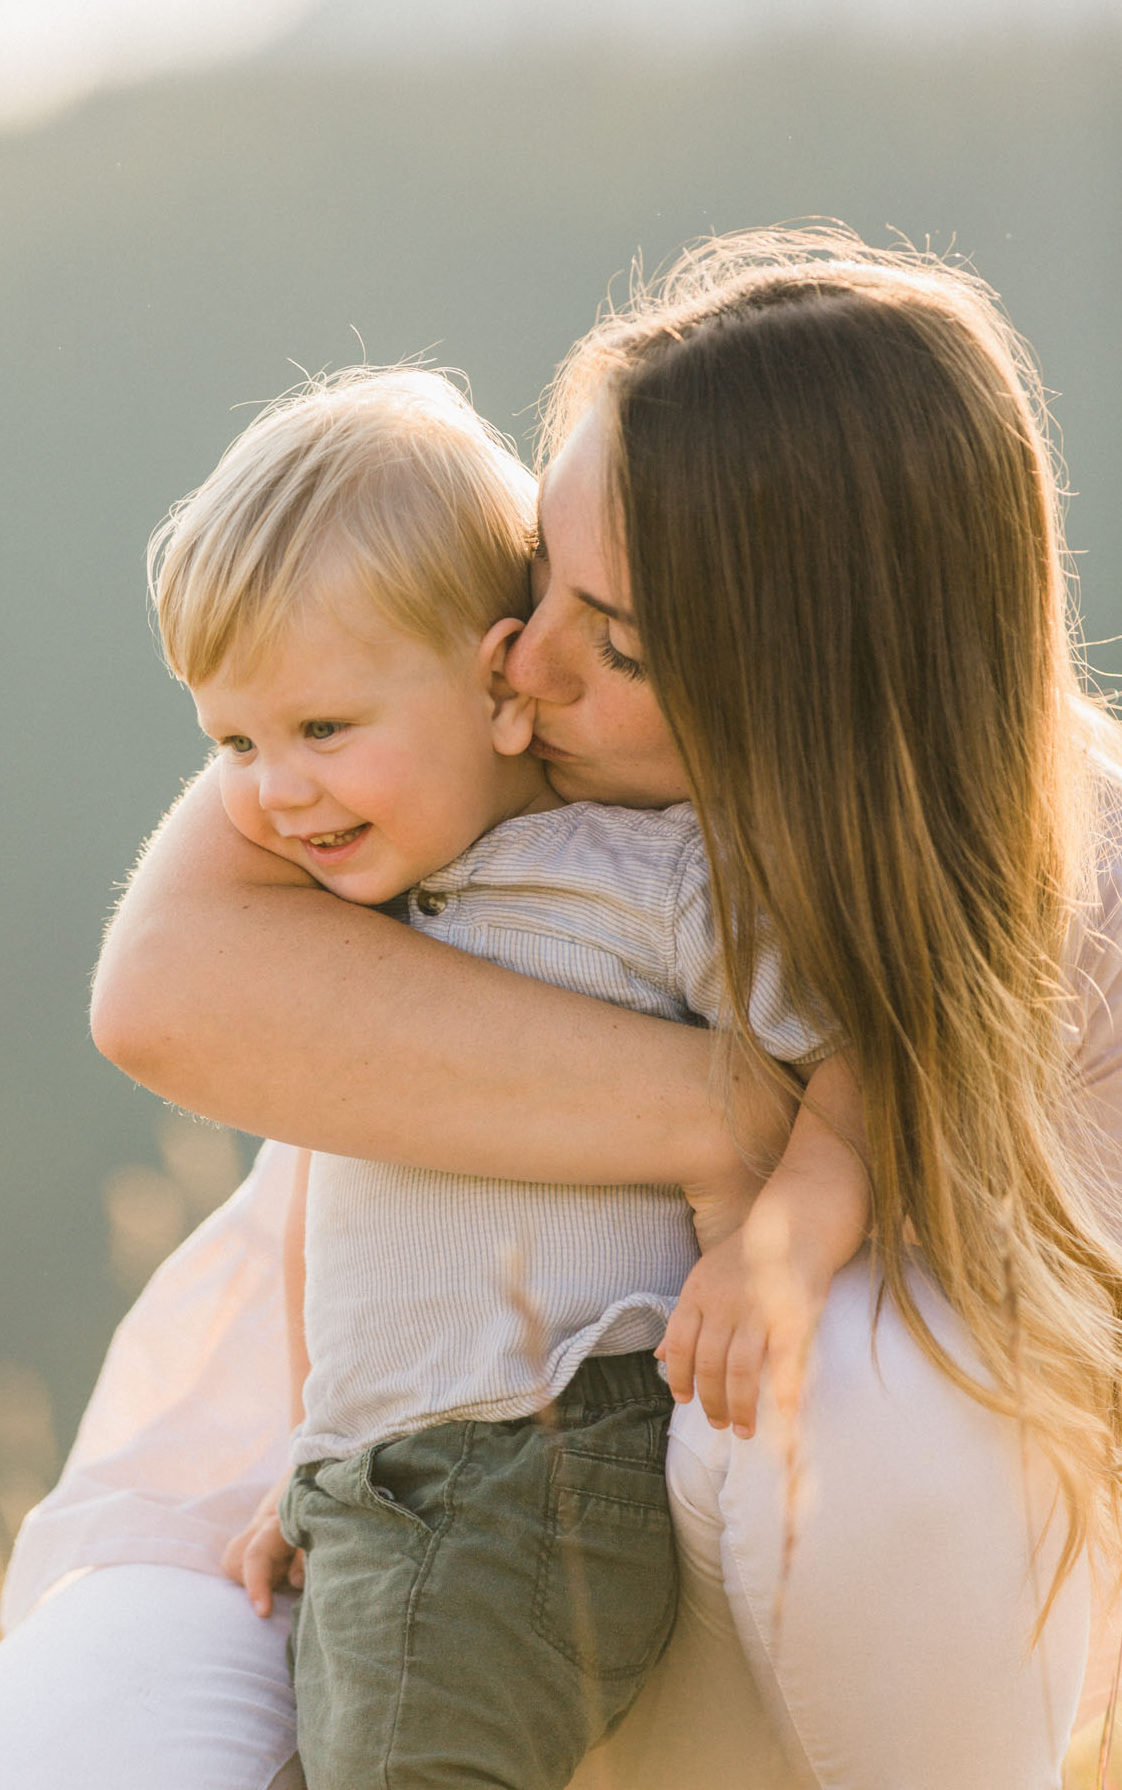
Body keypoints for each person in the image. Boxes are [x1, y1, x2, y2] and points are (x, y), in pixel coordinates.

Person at [0, 227, 1122, 1790]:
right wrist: (726, 1111)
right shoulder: (497, 703)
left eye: (612, 640)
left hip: (722, 1578)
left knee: (875, 1391)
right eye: (542, 569)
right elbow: (165, 989)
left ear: (811, 693)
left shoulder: (1071, 874)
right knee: (51, 1744)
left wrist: (821, 1171)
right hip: (354, 1461)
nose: (519, 661)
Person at [140, 365, 865, 1787]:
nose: (275, 794)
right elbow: (355, 1228)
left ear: (496, 684)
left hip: (527, 1466)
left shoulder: (643, 878)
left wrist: (784, 1237)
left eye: (324, 732)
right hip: (396, 1480)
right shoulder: (375, 923)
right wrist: (319, 1455)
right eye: (235, 743)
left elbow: (868, 1052)